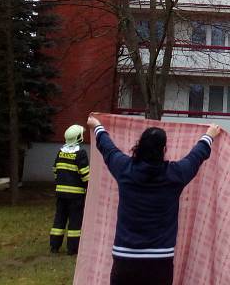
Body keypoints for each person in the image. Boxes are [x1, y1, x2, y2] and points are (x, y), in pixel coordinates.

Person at [86, 114, 221, 285]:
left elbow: (108, 148)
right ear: (163, 149)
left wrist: (97, 125)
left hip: (125, 260)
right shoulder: (175, 174)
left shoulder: (124, 168)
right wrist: (209, 135)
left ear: (140, 145)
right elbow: (196, 157)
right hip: (159, 262)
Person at [50, 124, 91, 255]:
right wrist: (89, 186)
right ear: (78, 137)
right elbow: (85, 175)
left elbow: (55, 171)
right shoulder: (80, 153)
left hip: (61, 194)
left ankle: (54, 246)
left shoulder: (60, 152)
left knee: (59, 218)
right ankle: (72, 249)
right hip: (76, 196)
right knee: (75, 221)